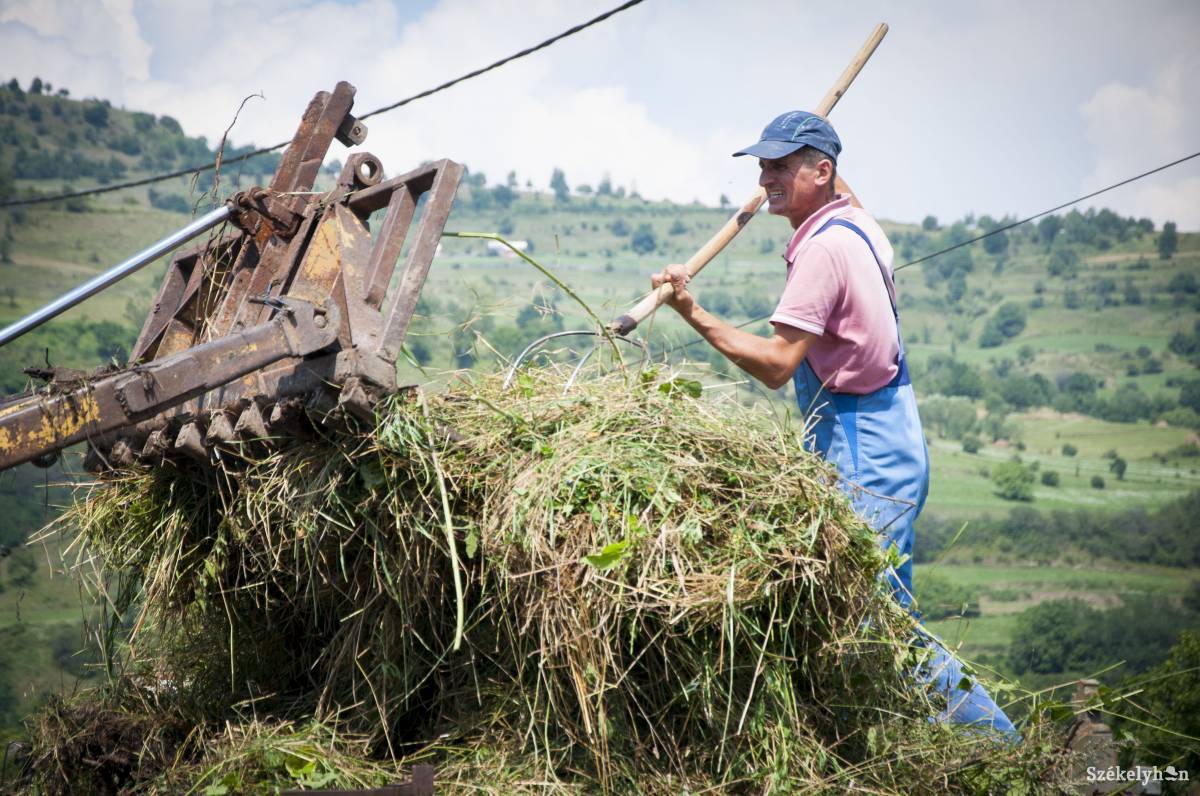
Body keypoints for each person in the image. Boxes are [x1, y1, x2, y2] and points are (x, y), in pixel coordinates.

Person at [650, 110, 1016, 736]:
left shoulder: (824, 251)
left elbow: (774, 364)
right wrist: (796, 171)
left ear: (824, 173)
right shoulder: (859, 225)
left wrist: (692, 308)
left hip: (863, 450)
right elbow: (837, 186)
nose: (766, 177)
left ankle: (1000, 744)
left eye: (781, 165)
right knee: (861, 614)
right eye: (762, 165)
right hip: (890, 433)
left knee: (879, 624)